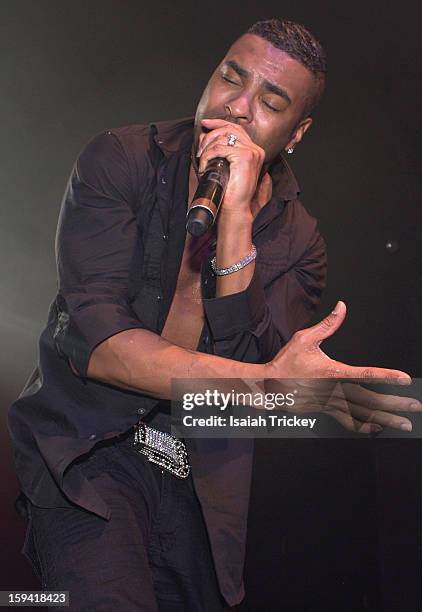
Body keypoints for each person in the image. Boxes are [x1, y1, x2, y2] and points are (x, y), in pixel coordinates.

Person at [8, 18, 419, 612]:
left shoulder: (302, 246)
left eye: (270, 101)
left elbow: (241, 384)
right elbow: (100, 346)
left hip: (203, 489)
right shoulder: (120, 160)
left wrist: (235, 223)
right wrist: (273, 388)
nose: (240, 106)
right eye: (231, 77)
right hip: (91, 455)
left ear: (296, 132)